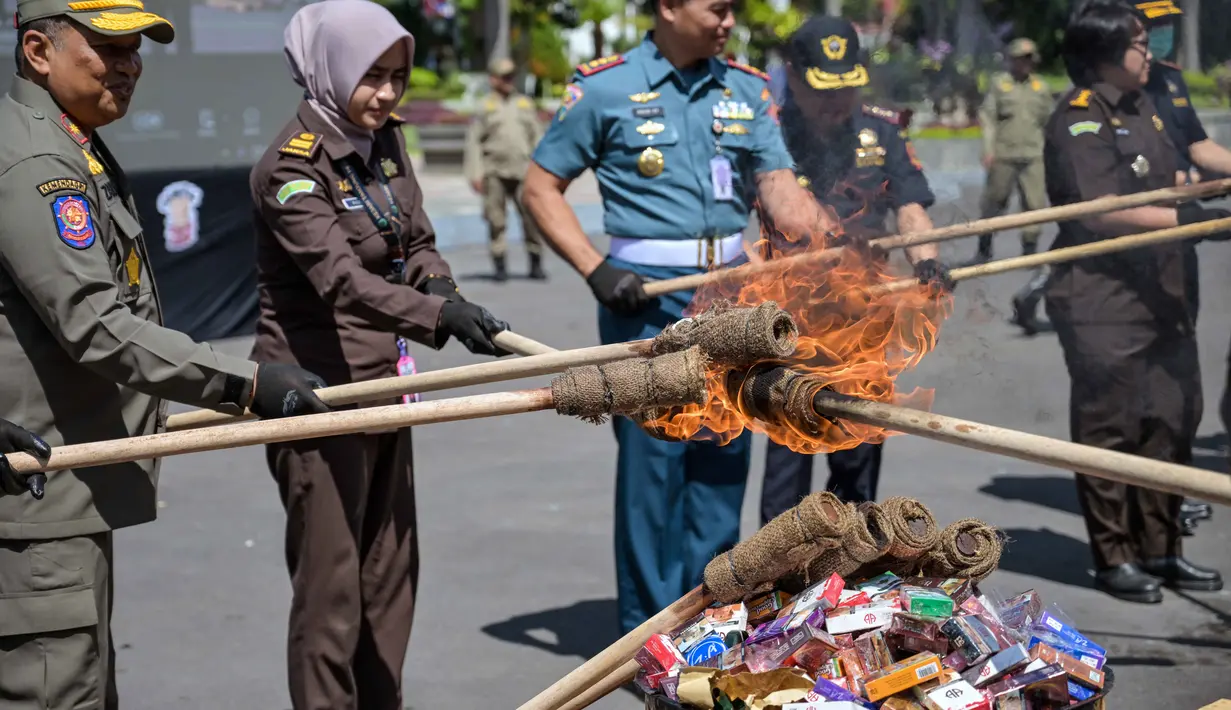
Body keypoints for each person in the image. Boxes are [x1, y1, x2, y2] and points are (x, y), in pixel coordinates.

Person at [0, 3, 329, 707]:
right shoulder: (37, 159)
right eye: (108, 50)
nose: (129, 66)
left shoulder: (67, 138)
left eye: (136, 51)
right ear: (37, 50)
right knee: (61, 691)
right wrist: (244, 383)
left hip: (57, 486)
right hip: (37, 500)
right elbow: (95, 324)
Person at [522, 0, 835, 633]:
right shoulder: (606, 87)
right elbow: (538, 187)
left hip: (733, 307)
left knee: (722, 461)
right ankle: (648, 633)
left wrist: (834, 238)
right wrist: (595, 268)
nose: (728, 21)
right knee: (653, 475)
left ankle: (711, 621)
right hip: (647, 307)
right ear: (668, 6)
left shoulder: (745, 88)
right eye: (717, 8)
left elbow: (778, 188)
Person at [252, 4, 512, 708]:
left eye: (398, 77)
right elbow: (342, 282)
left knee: (389, 580)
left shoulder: (384, 142)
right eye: (373, 78)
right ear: (331, 69)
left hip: (385, 389)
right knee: (331, 595)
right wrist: (439, 316)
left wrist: (443, 286)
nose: (388, 95)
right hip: (319, 400)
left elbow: (416, 241)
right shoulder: (290, 168)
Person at [1043, 0, 1226, 603]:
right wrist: (1200, 221)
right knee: (1111, 432)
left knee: (1171, 425)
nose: (1149, 52)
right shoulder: (1077, 118)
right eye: (1138, 44)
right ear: (1103, 54)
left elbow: (1167, 180)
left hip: (1165, 296)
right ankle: (1115, 557)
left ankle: (1163, 549)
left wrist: (1207, 193)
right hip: (1104, 303)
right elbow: (1105, 210)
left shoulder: (1144, 105)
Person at [758, 15, 952, 524]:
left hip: (863, 318)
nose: (835, 102)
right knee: (788, 460)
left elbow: (910, 205)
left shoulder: (881, 130)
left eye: (846, 87)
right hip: (788, 324)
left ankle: (849, 577)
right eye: (823, 89)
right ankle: (779, 582)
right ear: (794, 77)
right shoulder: (770, 136)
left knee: (858, 456)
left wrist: (927, 262)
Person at [1134, 0, 1231, 535]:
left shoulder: (1169, 81)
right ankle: (1149, 496)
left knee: (1179, 372)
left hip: (1179, 245)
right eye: (1154, 29)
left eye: (1169, 26)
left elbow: (1198, 145)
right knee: (1144, 380)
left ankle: (1175, 486)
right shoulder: (1104, 93)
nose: (1162, 38)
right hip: (1135, 250)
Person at [464, 57, 547, 282]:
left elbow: (537, 137)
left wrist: (542, 170)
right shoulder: (485, 106)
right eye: (504, 76)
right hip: (494, 171)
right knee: (496, 219)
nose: (509, 80)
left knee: (531, 217)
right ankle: (499, 262)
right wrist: (475, 173)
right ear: (493, 79)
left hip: (523, 170)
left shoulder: (524, 104)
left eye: (511, 76)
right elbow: (474, 142)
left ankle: (535, 261)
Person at [972, 38, 1053, 266]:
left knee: (1034, 203)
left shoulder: (1041, 87)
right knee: (994, 201)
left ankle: (1030, 250)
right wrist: (988, 150)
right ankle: (984, 247)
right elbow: (988, 118)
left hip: (1033, 154)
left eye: (1029, 59)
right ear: (1012, 60)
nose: (1025, 64)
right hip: (1004, 154)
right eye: (1021, 59)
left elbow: (1049, 121)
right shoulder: (1000, 85)